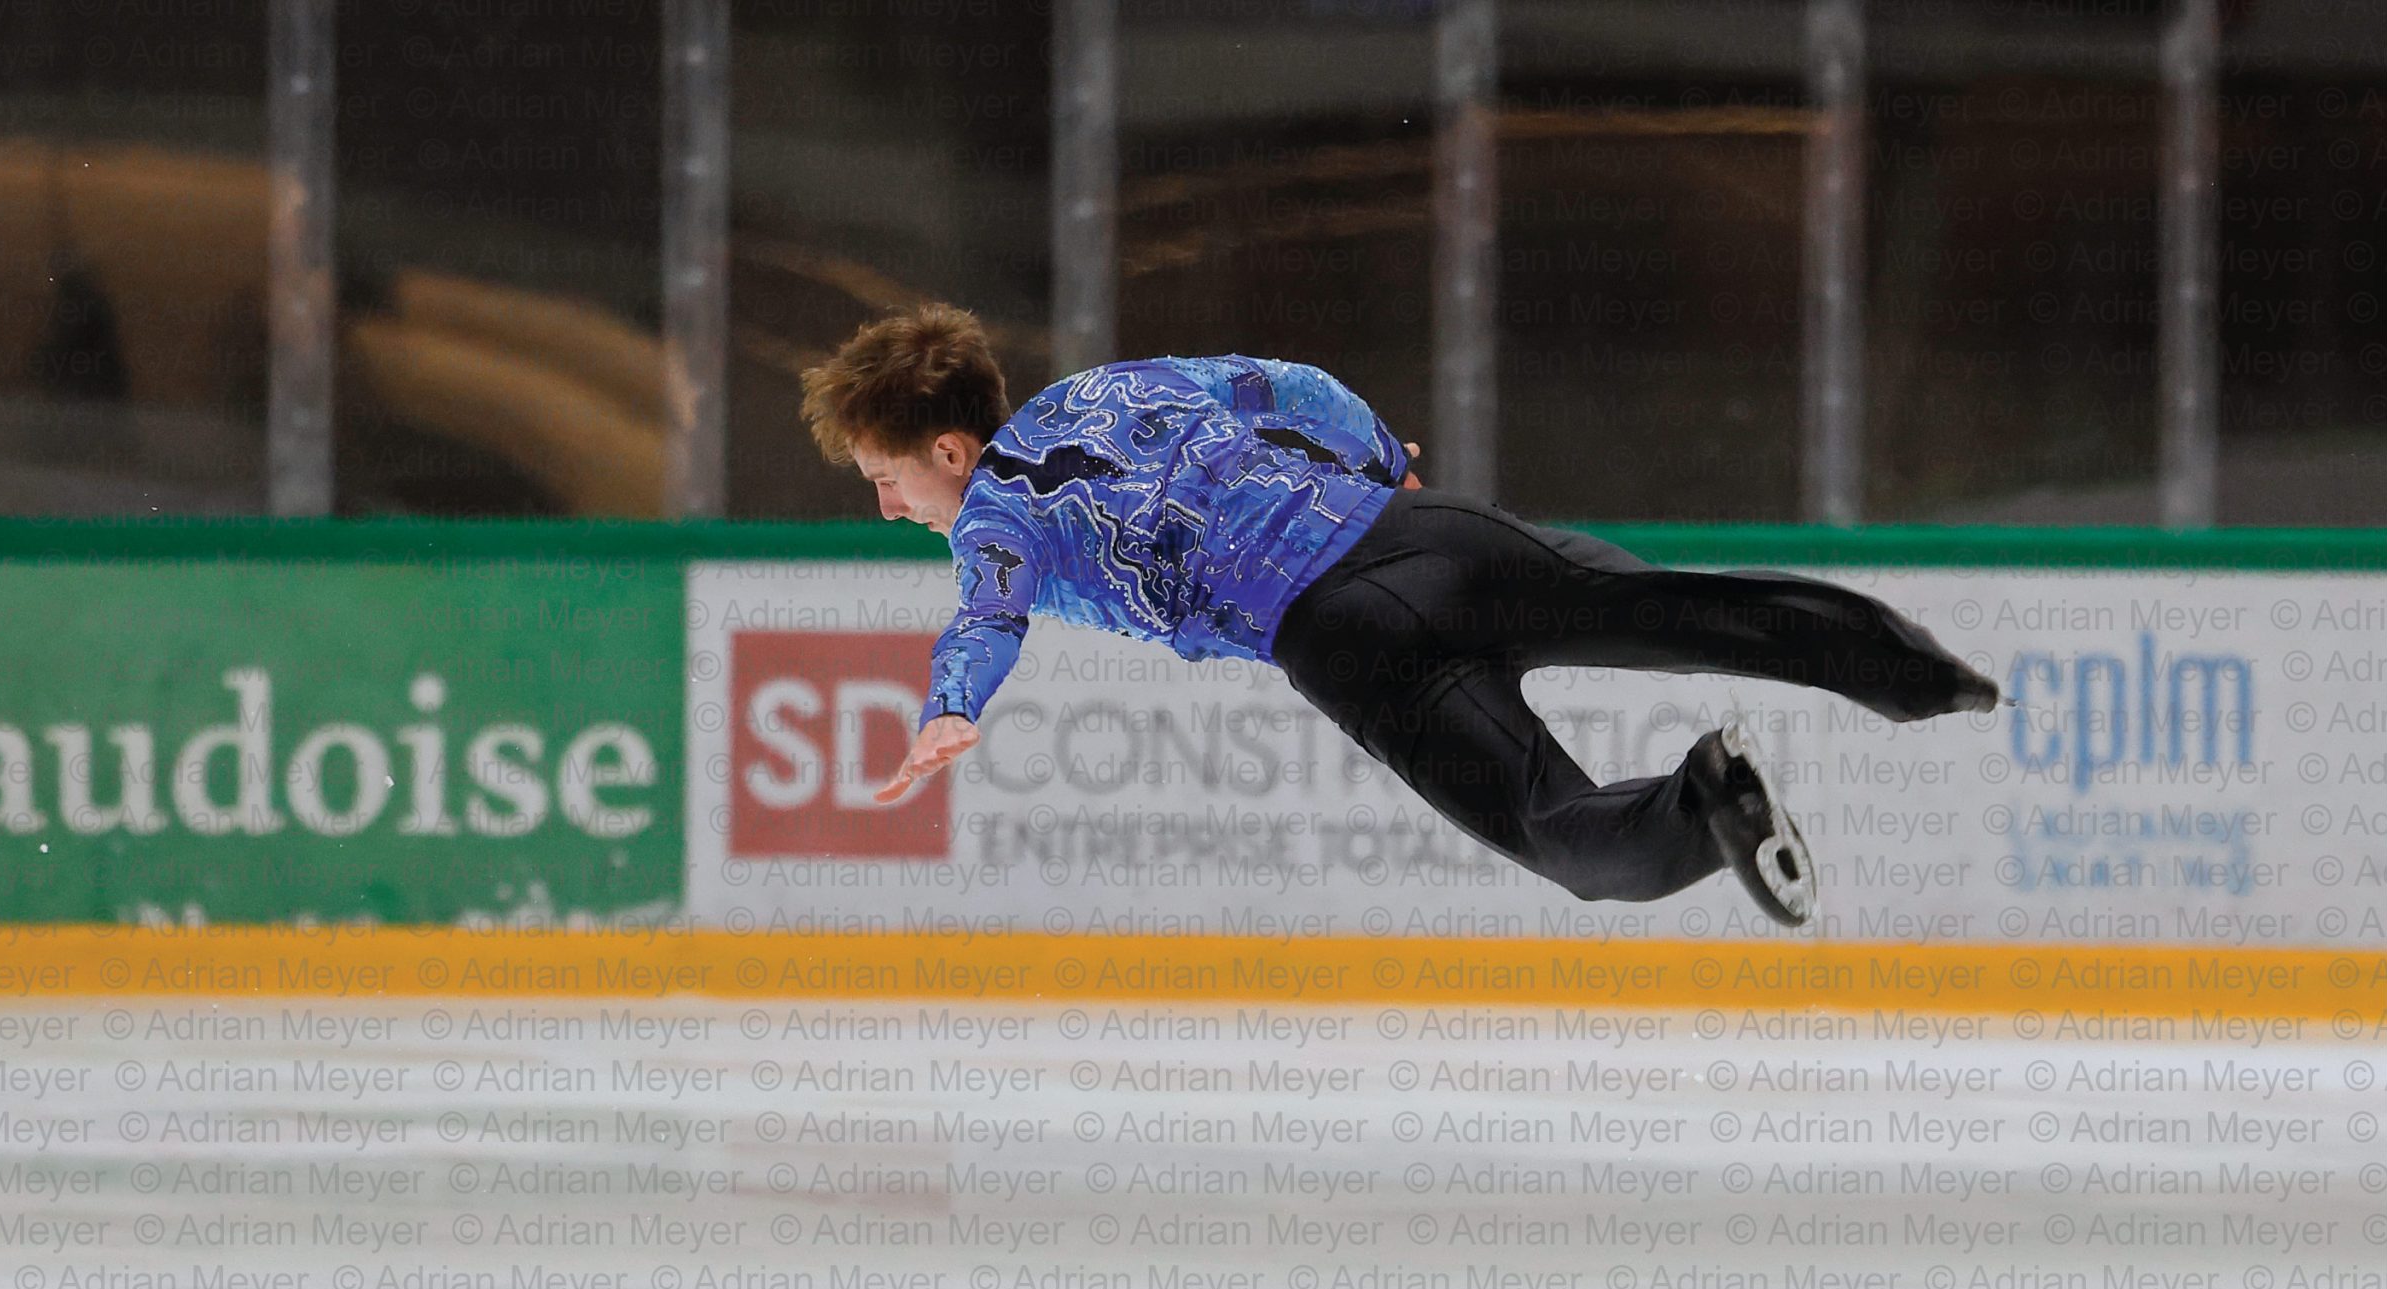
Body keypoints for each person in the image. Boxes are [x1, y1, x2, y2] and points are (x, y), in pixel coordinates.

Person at [796, 303, 1998, 928]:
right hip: (1420, 535)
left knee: (1559, 828)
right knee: (1666, 609)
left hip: (1348, 641)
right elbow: (1284, 386)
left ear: (950, 450)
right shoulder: (1107, 388)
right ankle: (1928, 676)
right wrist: (1384, 464)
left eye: (888, 479)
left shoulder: (993, 517)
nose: (892, 507)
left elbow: (988, 616)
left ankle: (1709, 797)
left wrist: (950, 708)